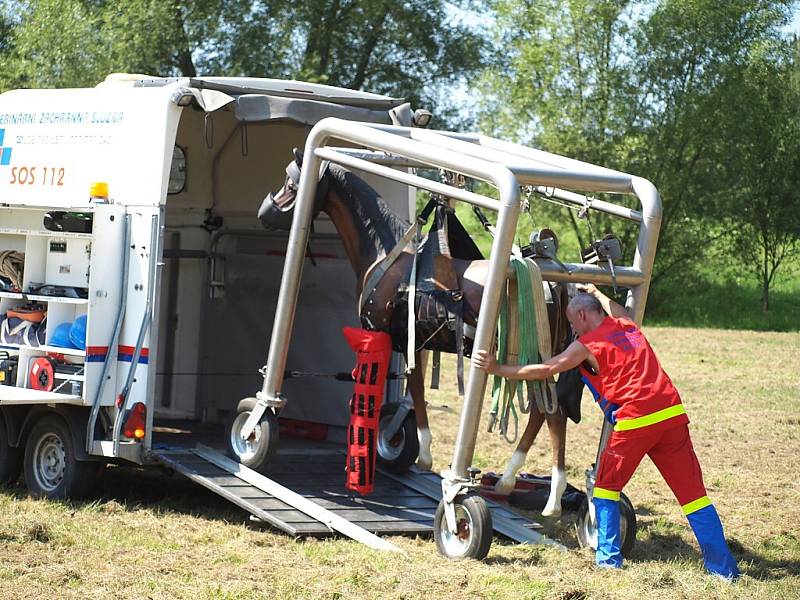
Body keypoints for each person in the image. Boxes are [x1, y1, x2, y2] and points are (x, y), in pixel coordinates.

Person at [472, 284, 739, 579]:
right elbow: (617, 309)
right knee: (695, 497)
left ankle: (609, 561)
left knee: (606, 489)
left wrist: (497, 368)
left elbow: (547, 369)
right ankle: (723, 569)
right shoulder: (627, 326)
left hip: (635, 420)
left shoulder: (587, 344)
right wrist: (597, 291)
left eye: (573, 322)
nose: (573, 329)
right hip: (672, 414)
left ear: (583, 315)